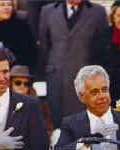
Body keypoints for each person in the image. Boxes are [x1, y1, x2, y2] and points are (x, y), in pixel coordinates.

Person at [38, 0, 109, 129]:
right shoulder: (47, 11)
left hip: (86, 80)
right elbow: (44, 47)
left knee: (84, 124)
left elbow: (103, 47)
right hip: (56, 78)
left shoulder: (97, 12)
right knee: (58, 125)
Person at [54, 65, 120, 150]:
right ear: (82, 96)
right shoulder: (71, 124)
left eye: (104, 90)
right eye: (94, 92)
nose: (102, 96)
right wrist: (89, 141)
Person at [10, 65, 53, 138]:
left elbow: (48, 129)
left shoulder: (40, 105)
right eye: (18, 83)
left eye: (26, 84)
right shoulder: (3, 102)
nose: (22, 86)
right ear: (10, 84)